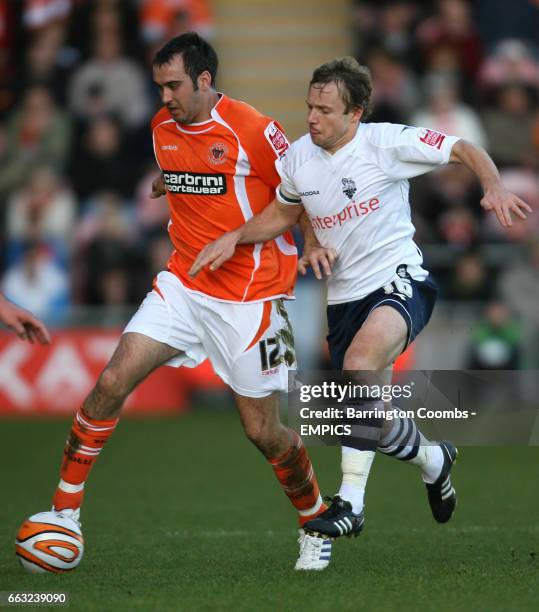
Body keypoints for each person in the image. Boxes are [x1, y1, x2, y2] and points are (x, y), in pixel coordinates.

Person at [190, 56, 531, 540]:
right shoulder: (297, 159)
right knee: (369, 411)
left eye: (326, 110)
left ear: (356, 114)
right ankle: (435, 460)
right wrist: (239, 236)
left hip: (400, 279)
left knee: (359, 363)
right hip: (343, 298)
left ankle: (350, 502)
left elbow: (463, 147)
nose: (312, 118)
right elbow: (286, 211)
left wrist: (493, 185)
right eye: (310, 107)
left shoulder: (386, 143)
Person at [47, 33, 331, 572]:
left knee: (262, 432)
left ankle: (315, 518)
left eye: (174, 85)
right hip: (183, 283)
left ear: (204, 79)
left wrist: (312, 242)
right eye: (159, 87)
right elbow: (191, 174)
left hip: (253, 294)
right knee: (111, 381)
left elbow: (300, 190)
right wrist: (168, 182)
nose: (165, 97)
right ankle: (63, 512)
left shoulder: (252, 128)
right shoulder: (161, 129)